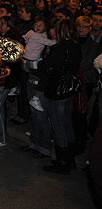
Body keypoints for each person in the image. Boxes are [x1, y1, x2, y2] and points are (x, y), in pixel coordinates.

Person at [38, 19, 82, 174]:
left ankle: (62, 161)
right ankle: (69, 160)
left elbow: (44, 66)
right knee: (67, 123)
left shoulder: (59, 48)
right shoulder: (76, 48)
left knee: (58, 126)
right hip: (69, 90)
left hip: (57, 90)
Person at [22, 17, 55, 158]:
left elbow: (46, 69)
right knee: (34, 115)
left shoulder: (50, 46)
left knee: (41, 116)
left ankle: (45, 148)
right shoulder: (34, 37)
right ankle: (34, 144)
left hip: (41, 85)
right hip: (31, 80)